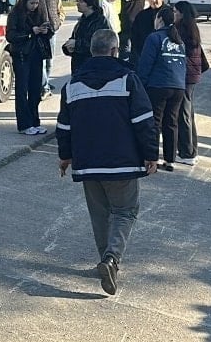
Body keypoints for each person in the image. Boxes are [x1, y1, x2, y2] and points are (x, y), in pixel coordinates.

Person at [57, 29, 158, 296]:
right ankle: (111, 259)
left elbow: (64, 127)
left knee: (99, 214)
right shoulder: (128, 80)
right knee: (125, 211)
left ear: (92, 51)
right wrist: (151, 154)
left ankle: (105, 260)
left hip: (88, 164)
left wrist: (65, 156)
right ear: (115, 51)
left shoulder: (72, 85)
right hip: (122, 162)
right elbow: (144, 121)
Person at [136, 5, 186, 171]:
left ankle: (153, 158)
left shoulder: (154, 38)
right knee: (171, 122)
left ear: (160, 20)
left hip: (158, 85)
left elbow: (145, 64)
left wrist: (140, 85)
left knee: (155, 123)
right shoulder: (179, 40)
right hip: (178, 86)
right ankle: (170, 160)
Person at [6, 0, 53, 134]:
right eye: (32, 3)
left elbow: (49, 30)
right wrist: (30, 33)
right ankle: (24, 124)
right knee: (22, 90)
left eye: (37, 3)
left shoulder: (39, 13)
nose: (34, 6)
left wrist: (46, 31)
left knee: (35, 89)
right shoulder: (15, 14)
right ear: (25, 2)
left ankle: (34, 121)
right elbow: (11, 36)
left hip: (36, 54)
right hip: (22, 55)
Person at [174, 1, 206, 166]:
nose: (174, 15)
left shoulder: (182, 29)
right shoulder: (192, 27)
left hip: (185, 75)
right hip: (192, 76)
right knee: (188, 113)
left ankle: (187, 153)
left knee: (183, 114)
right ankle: (192, 150)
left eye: (175, 12)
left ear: (181, 13)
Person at [24, 0, 62, 96]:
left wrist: (57, 23)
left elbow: (60, 11)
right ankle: (44, 87)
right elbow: (23, 13)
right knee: (41, 62)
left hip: (51, 33)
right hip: (38, 35)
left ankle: (46, 83)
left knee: (50, 61)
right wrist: (33, 28)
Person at [62, 0, 111, 74]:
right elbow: (74, 39)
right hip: (78, 67)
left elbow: (100, 46)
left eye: (81, 1)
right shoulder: (81, 21)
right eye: (77, 1)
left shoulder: (101, 22)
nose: (77, 3)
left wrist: (77, 44)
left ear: (90, 4)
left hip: (94, 68)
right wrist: (68, 47)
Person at [129, 0, 165, 64]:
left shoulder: (169, 14)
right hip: (146, 55)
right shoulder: (142, 16)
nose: (153, 1)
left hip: (164, 56)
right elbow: (135, 36)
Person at [116, 0, 146, 64]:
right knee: (136, 47)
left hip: (126, 23)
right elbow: (143, 3)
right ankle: (135, 65)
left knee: (125, 48)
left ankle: (124, 65)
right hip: (139, 22)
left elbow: (117, 8)